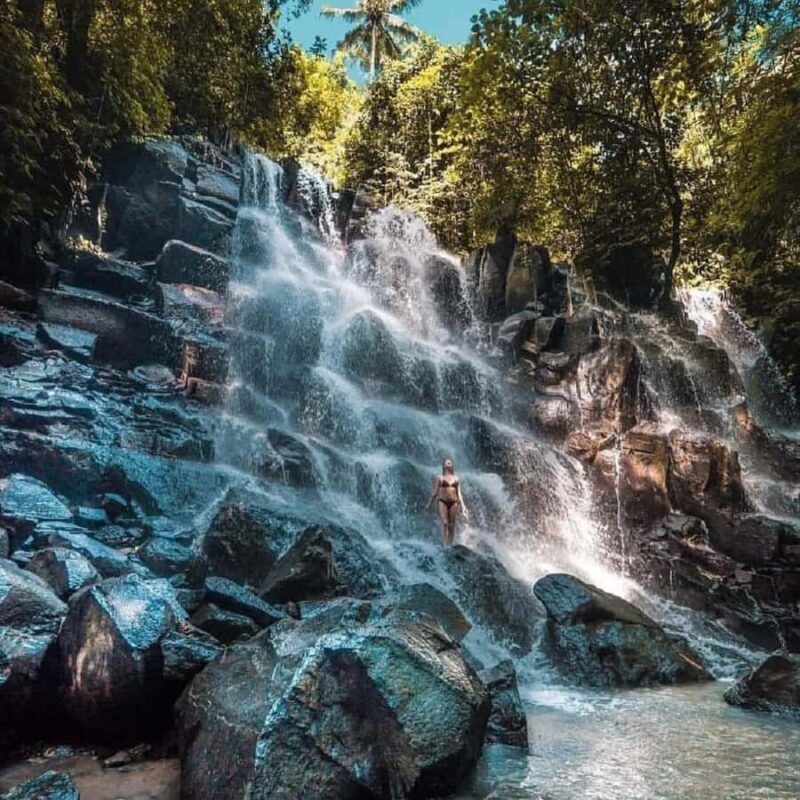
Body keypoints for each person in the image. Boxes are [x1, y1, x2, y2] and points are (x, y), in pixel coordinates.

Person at [425, 458, 469, 547]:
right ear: (444, 465)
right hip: (442, 501)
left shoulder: (456, 478)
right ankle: (444, 544)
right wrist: (429, 503)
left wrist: (463, 507)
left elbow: (459, 493)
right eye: (447, 462)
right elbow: (435, 492)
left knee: (452, 525)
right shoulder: (440, 477)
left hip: (454, 502)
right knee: (444, 523)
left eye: (450, 463)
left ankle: (450, 545)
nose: (449, 463)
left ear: (452, 466)